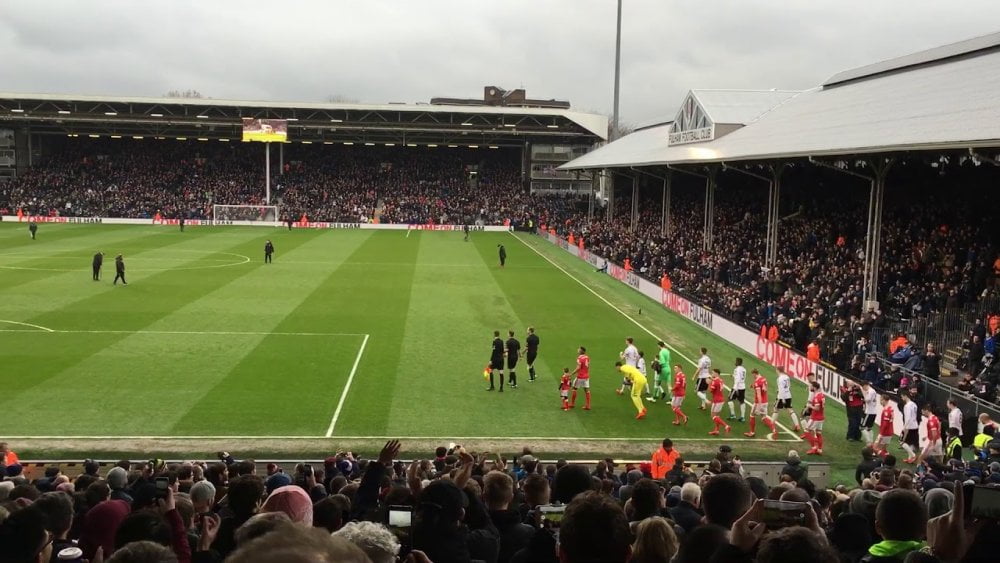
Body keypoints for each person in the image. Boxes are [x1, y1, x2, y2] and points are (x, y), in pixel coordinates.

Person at [745, 369, 777, 439]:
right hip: (765, 401)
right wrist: (753, 386)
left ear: (754, 374)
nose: (752, 376)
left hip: (759, 403)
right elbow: (765, 389)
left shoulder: (757, 382)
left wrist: (759, 407)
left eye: (752, 375)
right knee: (764, 418)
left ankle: (752, 432)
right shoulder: (764, 379)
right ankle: (774, 430)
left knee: (752, 415)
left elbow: (759, 395)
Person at [804, 381, 826, 455]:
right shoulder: (821, 395)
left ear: (814, 387)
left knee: (807, 431)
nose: (810, 387)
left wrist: (810, 406)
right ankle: (820, 450)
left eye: (811, 386)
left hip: (815, 418)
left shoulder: (816, 397)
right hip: (821, 417)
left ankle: (813, 448)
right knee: (818, 433)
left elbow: (817, 408)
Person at [707, 369, 730, 435]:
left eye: (713, 373)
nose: (712, 374)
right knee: (717, 416)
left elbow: (710, 390)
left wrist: (709, 383)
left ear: (716, 373)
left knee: (713, 416)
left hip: (717, 401)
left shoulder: (715, 381)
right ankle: (716, 430)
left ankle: (726, 426)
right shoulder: (721, 380)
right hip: (721, 399)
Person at [900, 393, 919, 463]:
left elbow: (907, 418)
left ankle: (913, 455)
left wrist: (904, 427)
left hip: (909, 426)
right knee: (910, 443)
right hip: (915, 425)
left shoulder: (907, 406)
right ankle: (910, 458)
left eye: (902, 396)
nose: (902, 398)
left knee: (902, 442)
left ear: (905, 396)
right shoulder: (914, 404)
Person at [728, 357, 747, 422]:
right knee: (742, 401)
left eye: (736, 361)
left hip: (737, 387)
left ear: (738, 362)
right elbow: (741, 377)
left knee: (730, 399)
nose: (735, 362)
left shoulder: (737, 369)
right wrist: (733, 376)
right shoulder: (744, 369)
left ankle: (733, 415)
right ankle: (742, 417)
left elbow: (738, 379)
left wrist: (735, 388)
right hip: (743, 387)